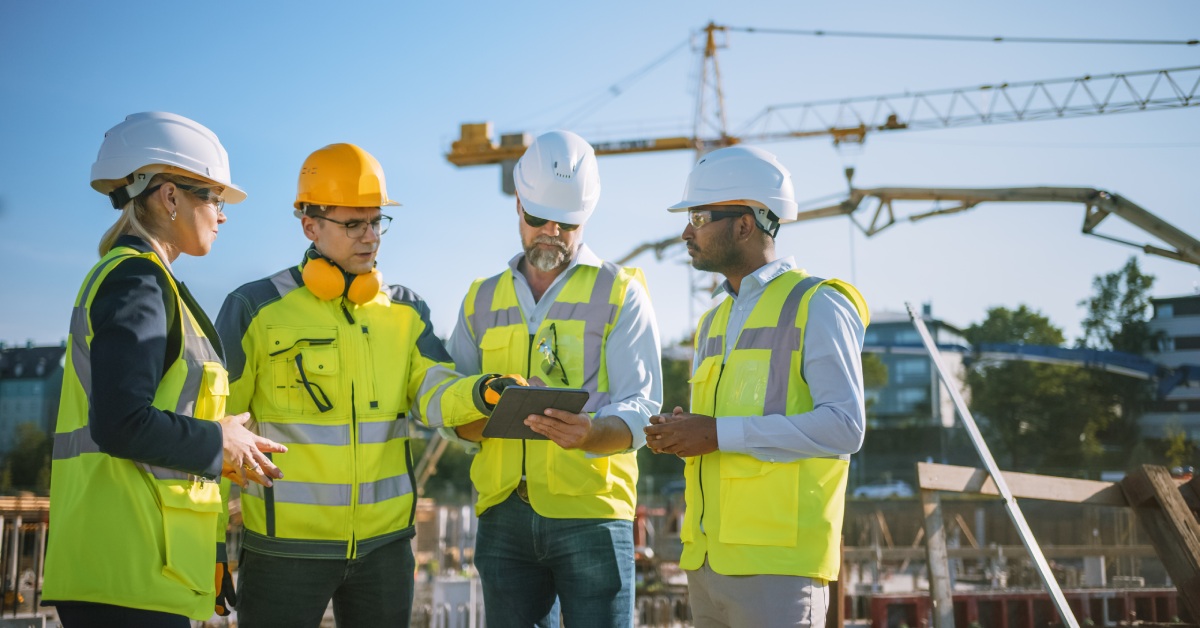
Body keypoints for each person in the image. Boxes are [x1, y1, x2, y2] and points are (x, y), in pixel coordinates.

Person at [215, 143, 505, 628]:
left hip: (385, 551)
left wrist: (482, 392)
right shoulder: (255, 308)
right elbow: (216, 432)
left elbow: (434, 389)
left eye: (376, 222)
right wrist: (211, 546)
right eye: (354, 224)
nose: (370, 237)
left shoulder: (406, 313)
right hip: (284, 550)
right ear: (310, 225)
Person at [43, 111, 288, 628]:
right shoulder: (137, 281)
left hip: (138, 571)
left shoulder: (146, 281)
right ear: (170, 196)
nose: (222, 215)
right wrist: (217, 441)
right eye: (214, 198)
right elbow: (120, 422)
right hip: (125, 572)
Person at [644, 145, 870, 628]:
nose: (687, 231)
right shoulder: (713, 321)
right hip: (706, 562)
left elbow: (845, 427)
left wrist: (718, 433)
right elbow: (720, 427)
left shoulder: (819, 303)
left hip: (779, 571)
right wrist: (685, 432)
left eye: (699, 216)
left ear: (745, 224)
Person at [444, 130, 663, 627]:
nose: (550, 232)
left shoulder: (620, 292)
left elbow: (643, 405)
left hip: (591, 513)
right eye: (538, 218)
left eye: (565, 223)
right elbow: (447, 399)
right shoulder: (481, 298)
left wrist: (592, 433)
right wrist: (478, 411)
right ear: (517, 204)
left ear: (585, 217)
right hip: (503, 516)